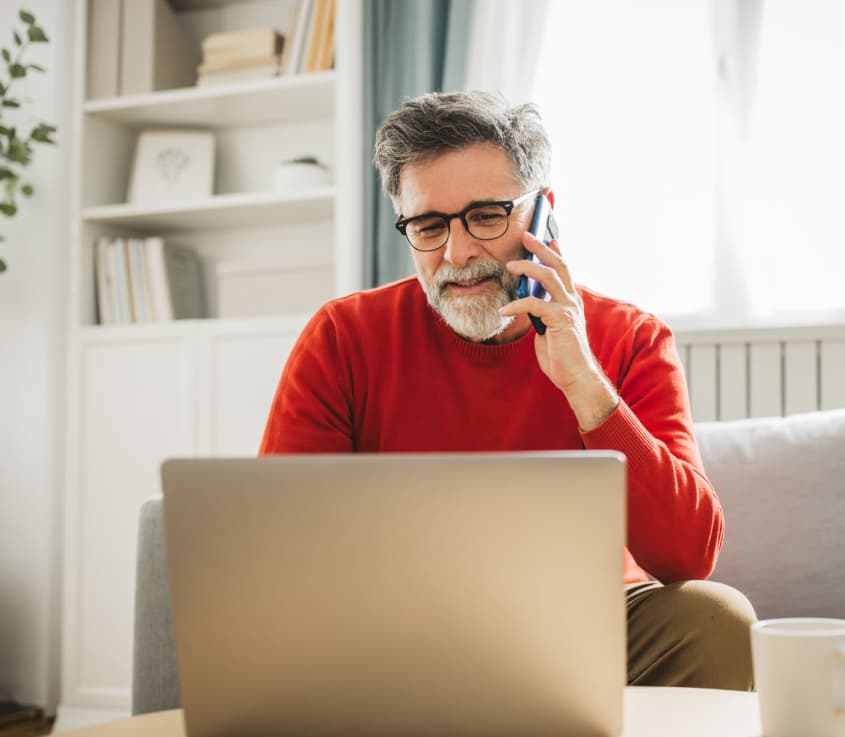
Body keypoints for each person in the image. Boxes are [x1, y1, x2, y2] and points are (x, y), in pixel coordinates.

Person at [259, 90, 755, 690]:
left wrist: (586, 386)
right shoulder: (342, 338)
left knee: (718, 620)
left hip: (584, 627)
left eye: (487, 216)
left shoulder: (631, 338)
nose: (458, 252)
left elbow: (689, 555)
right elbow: (284, 548)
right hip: (398, 634)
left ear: (542, 212)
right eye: (429, 225)